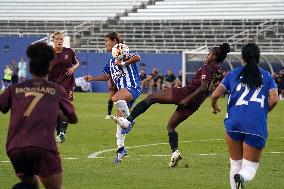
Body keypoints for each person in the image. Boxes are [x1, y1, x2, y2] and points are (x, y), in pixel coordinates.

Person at [112, 43, 231, 167]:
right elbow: (211, 88)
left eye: (209, 54)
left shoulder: (208, 67)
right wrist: (209, 103)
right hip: (196, 103)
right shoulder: (219, 71)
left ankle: (128, 121)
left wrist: (186, 99)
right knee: (171, 126)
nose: (207, 55)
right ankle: (175, 153)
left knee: (151, 98)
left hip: (186, 94)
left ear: (214, 56)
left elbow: (203, 86)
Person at [0, 42, 78, 189]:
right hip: (43, 146)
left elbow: (2, 106)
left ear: (29, 68)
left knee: (30, 184)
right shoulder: (56, 90)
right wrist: (60, 114)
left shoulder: (15, 89)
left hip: (15, 147)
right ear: (50, 67)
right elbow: (73, 118)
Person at [211, 43, 278, 189]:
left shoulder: (233, 74)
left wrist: (214, 106)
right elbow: (274, 99)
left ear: (242, 58)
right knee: (250, 168)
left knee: (235, 163)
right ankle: (242, 176)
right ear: (258, 57)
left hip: (233, 123)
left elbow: (215, 94)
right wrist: (264, 111)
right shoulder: (266, 76)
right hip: (255, 125)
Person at [84, 31, 141, 164]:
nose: (105, 44)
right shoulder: (110, 62)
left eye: (106, 41)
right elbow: (106, 76)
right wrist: (92, 78)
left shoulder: (123, 51)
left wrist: (123, 64)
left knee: (115, 98)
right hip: (124, 93)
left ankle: (131, 121)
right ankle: (121, 149)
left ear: (114, 41)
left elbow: (137, 57)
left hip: (132, 87)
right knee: (119, 122)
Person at [48, 31, 80, 143]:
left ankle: (62, 133)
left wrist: (73, 69)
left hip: (67, 84)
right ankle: (59, 132)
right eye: (57, 39)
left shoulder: (69, 52)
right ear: (53, 40)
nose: (59, 41)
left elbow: (77, 63)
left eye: (61, 39)